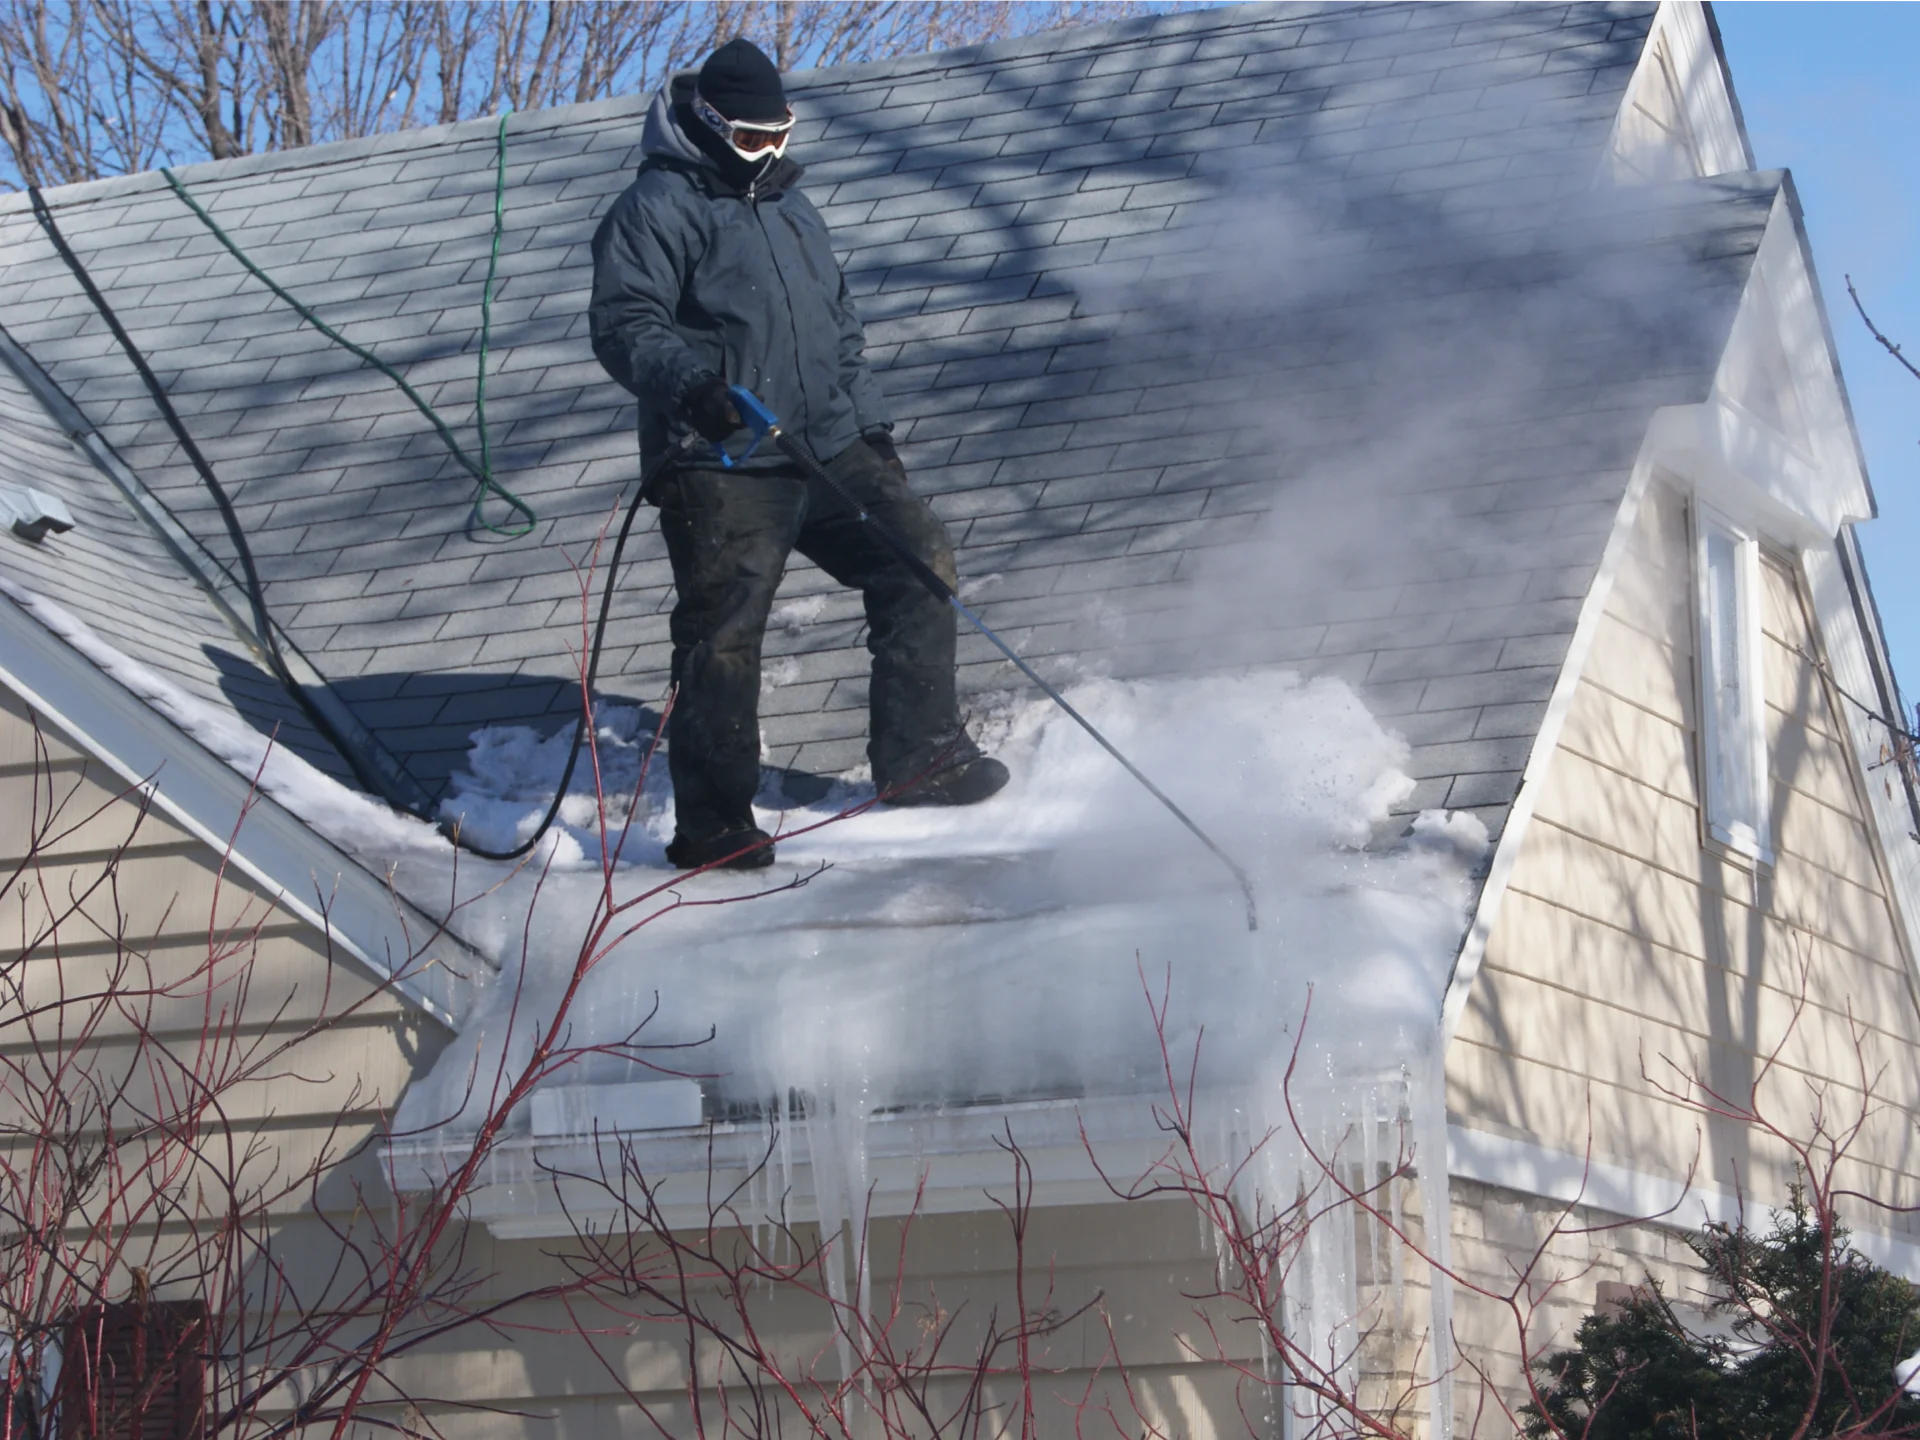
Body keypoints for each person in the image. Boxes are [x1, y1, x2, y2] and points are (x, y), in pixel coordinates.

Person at [589, 37, 1009, 871]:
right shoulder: (656, 206)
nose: (769, 152)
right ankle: (713, 825)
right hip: (724, 460)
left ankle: (921, 757)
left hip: (826, 443)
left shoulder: (791, 207)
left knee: (917, 555)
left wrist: (873, 431)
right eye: (751, 140)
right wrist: (697, 390)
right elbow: (624, 324)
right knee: (725, 631)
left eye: (779, 133)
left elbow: (839, 331)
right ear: (708, 126)